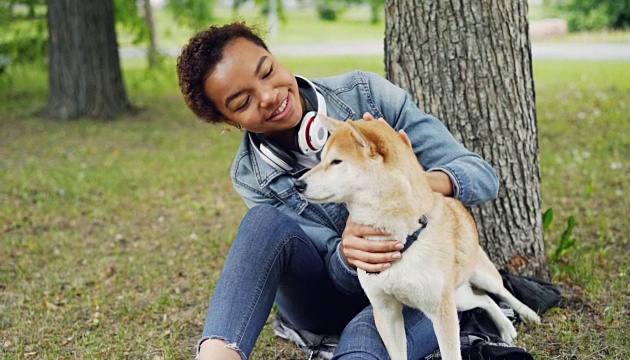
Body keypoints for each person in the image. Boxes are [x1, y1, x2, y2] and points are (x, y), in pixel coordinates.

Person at [176, 22, 499, 360]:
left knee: (363, 342)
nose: (269, 96)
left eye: (267, 72)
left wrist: (404, 176)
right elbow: (339, 276)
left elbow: (481, 176)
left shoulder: (366, 93)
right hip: (326, 299)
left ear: (275, 57)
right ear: (231, 122)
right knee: (261, 222)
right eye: (243, 102)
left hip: (411, 286)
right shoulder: (250, 175)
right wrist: (348, 253)